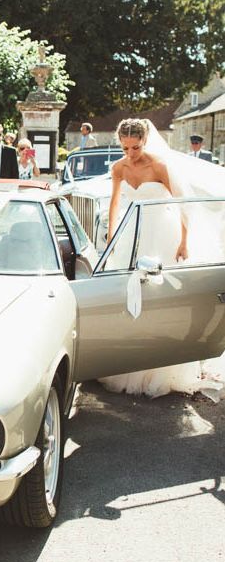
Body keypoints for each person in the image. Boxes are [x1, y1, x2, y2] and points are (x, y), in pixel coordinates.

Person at [100, 118, 221, 397]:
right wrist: (111, 238)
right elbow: (115, 203)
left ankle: (163, 366)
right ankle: (129, 362)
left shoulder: (159, 165)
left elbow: (181, 204)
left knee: (160, 295)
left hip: (162, 233)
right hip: (132, 233)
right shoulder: (118, 167)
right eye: (126, 147)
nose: (131, 153)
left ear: (145, 141)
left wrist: (183, 241)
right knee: (128, 294)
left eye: (136, 147)